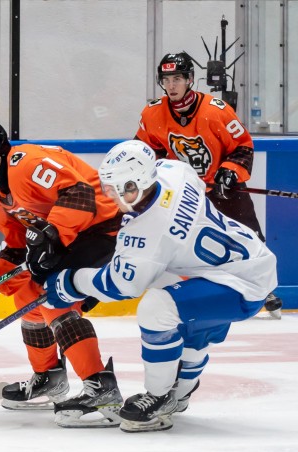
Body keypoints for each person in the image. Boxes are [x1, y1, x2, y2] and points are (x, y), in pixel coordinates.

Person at [44, 140, 278, 433]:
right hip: (245, 260)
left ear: (136, 184)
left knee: (157, 308)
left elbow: (121, 285)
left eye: (115, 189)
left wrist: (70, 283)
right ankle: (179, 394)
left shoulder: (147, 232)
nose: (110, 195)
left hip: (240, 284)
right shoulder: (173, 172)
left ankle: (157, 397)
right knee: (172, 293)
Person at [0, 118, 124, 428]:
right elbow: (18, 251)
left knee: (54, 297)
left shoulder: (26, 163)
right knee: (26, 297)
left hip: (104, 228)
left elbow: (81, 195)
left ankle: (100, 388)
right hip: (72, 236)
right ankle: (50, 378)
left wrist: (54, 235)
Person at [134, 52, 282, 319]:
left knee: (246, 231)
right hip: (184, 193)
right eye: (166, 79)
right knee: (183, 240)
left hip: (221, 187)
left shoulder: (216, 111)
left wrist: (229, 173)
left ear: (190, 79)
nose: (171, 85)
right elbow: (146, 151)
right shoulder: (152, 113)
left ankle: (264, 287)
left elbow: (242, 147)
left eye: (177, 78)